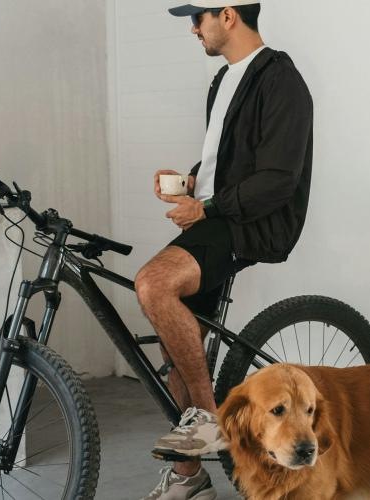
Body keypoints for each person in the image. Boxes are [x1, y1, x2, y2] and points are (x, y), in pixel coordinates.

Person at [134, 1, 313, 498]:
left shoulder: (281, 80)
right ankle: (190, 477)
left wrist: (207, 209)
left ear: (228, 15)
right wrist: (190, 181)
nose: (194, 28)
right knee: (173, 341)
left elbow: (278, 179)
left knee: (153, 282)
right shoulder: (224, 80)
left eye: (199, 17)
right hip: (220, 215)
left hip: (254, 222)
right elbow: (228, 161)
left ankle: (209, 412)